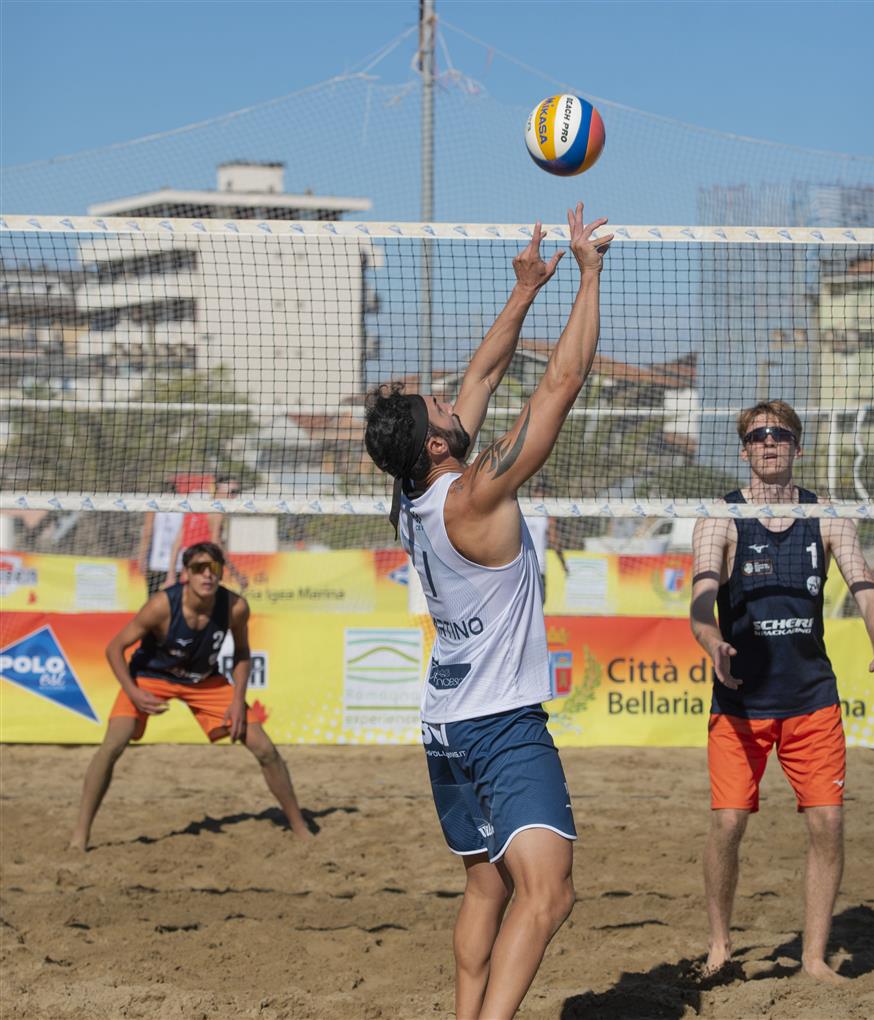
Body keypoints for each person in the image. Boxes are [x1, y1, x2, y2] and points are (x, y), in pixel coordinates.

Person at [362, 204, 610, 1020]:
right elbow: (559, 385)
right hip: (499, 722)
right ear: (437, 445)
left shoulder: (410, 497)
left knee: (487, 884)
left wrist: (526, 289)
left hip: (444, 724)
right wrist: (588, 275)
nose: (449, 399)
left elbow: (483, 376)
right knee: (549, 893)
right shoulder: (473, 497)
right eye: (437, 408)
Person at [689, 399, 874, 984]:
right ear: (744, 451)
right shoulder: (720, 518)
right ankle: (719, 945)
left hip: (811, 700)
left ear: (797, 447)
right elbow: (702, 596)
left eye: (780, 435)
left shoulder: (825, 516)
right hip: (740, 701)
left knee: (827, 825)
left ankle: (813, 958)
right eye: (758, 436)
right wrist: (711, 640)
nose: (769, 442)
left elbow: (865, 586)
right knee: (728, 825)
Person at [69, 542, 310, 851]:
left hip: (203, 680)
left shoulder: (235, 607)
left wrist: (238, 701)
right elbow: (114, 648)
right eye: (199, 569)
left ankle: (300, 827)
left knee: (265, 749)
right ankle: (80, 836)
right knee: (113, 745)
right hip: (151, 676)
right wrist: (133, 691)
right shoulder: (161, 606)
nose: (207, 575)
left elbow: (241, 653)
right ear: (186, 574)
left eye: (214, 569)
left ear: (221, 572)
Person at [137, 482, 183, 595]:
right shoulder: (184, 507)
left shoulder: (154, 505)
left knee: (154, 600)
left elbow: (147, 533)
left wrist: (142, 558)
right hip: (177, 564)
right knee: (174, 600)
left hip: (157, 563)